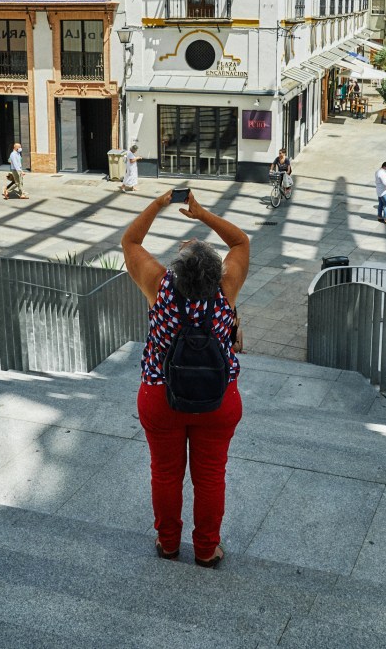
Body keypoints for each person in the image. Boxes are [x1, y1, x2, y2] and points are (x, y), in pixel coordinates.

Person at [121, 190, 250, 568]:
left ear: (177, 270)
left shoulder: (159, 286)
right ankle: (207, 549)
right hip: (218, 399)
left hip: (161, 396)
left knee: (165, 473)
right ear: (216, 273)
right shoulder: (226, 290)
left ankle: (169, 544)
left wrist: (161, 204)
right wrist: (202, 216)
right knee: (210, 476)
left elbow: (130, 241)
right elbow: (241, 241)